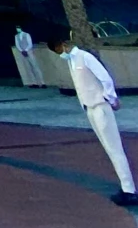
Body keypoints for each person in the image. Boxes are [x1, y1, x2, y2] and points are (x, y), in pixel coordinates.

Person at [53, 37, 138, 204]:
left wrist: (111, 99)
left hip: (100, 106)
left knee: (114, 148)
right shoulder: (72, 60)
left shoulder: (85, 57)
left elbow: (104, 78)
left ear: (63, 44)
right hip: (90, 107)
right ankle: (126, 186)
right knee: (109, 148)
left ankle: (129, 189)